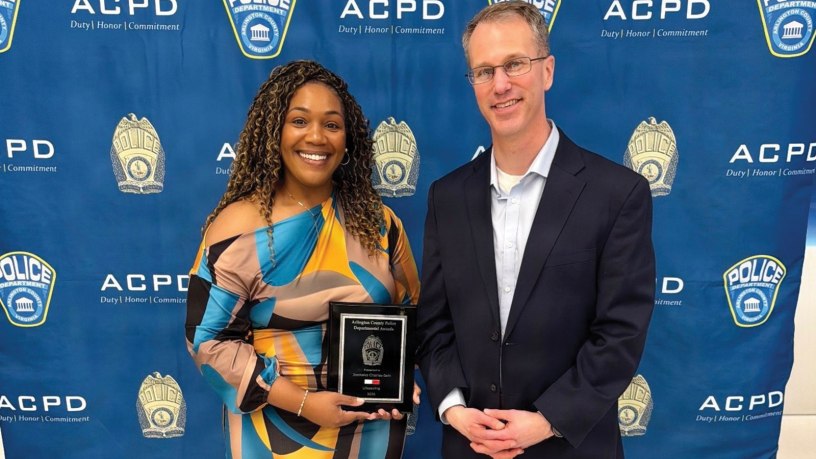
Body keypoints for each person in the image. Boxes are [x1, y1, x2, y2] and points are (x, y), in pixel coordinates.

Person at [416, 2, 655, 458]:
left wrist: (548, 421)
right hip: (471, 445)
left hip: (572, 446)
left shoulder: (617, 193)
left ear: (547, 71)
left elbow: (621, 332)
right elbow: (434, 323)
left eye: (514, 64)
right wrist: (454, 409)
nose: (500, 84)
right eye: (483, 71)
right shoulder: (446, 197)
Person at [185, 60, 420, 459]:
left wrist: (399, 376)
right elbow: (208, 343)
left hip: (370, 429)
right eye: (299, 121)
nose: (317, 137)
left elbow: (409, 308)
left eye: (332, 125)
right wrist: (303, 402)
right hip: (274, 429)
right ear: (274, 132)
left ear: (348, 140)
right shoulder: (237, 228)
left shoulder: (380, 224)